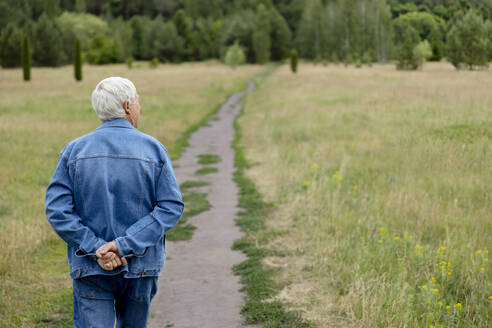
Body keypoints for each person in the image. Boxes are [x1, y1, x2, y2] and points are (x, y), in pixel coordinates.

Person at [45, 77, 184, 327]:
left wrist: (97, 247)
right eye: (138, 101)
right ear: (128, 106)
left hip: (90, 267)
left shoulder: (73, 151)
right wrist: (122, 246)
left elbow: (57, 211)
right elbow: (170, 207)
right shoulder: (154, 149)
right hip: (141, 266)